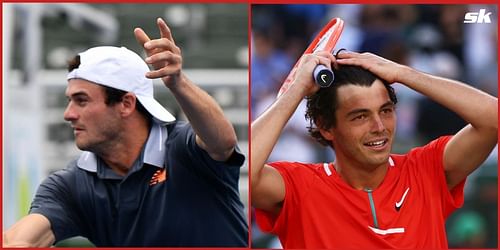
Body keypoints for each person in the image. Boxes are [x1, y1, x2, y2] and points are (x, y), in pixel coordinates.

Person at [3, 18, 248, 247]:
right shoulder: (70, 184)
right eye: (70, 100)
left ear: (127, 104)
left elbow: (223, 143)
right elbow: (20, 239)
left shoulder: (185, 148)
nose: (68, 113)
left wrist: (178, 83)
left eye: (81, 100)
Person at [251, 50, 497, 248]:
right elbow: (241, 174)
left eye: (386, 111)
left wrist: (403, 73)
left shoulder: (426, 170)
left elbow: (493, 119)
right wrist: (296, 90)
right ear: (326, 127)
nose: (379, 127)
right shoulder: (298, 187)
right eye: (360, 117)